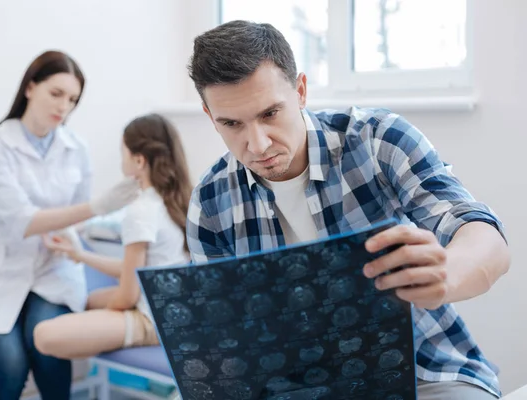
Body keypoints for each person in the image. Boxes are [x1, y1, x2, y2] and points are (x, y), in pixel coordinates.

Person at [185, 20, 510, 400]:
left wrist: (447, 274)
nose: (257, 145)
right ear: (210, 117)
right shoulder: (209, 204)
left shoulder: (377, 139)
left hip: (426, 371)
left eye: (270, 114)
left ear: (301, 91)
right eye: (231, 124)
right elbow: (224, 336)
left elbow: (483, 236)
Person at [0, 50, 139, 400]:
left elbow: (72, 217)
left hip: (53, 270)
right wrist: (98, 206)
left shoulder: (76, 148)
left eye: (72, 99)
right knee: (10, 370)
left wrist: (77, 240)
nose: (64, 106)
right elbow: (23, 221)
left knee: (48, 349)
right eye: (56, 93)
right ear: (30, 87)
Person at [33, 113, 192, 359]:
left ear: (138, 161)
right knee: (90, 299)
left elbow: (127, 296)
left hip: (155, 320)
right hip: (178, 310)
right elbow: (136, 269)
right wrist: (80, 255)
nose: (121, 160)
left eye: (122, 152)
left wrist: (100, 320)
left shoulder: (140, 211)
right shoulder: (177, 200)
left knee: (43, 335)